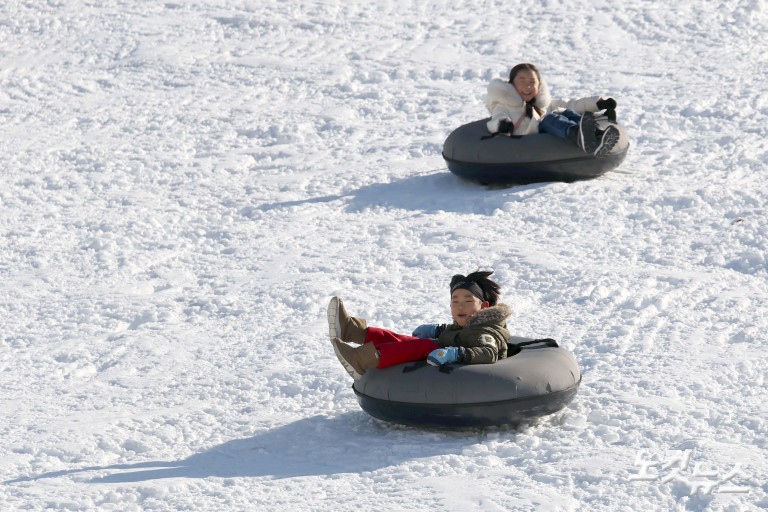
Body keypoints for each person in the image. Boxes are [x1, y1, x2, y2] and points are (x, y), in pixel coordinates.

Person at [329, 270, 512, 377]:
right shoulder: (467, 324)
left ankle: (361, 361)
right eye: (455, 301)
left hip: (471, 371)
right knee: (403, 340)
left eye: (468, 300)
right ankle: (352, 330)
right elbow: (459, 334)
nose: (460, 306)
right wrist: (438, 329)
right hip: (446, 350)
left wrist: (456, 353)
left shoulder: (486, 331)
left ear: (484, 306)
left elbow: (489, 353)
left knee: (423, 346)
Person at [486, 63, 619, 157]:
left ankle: (597, 135)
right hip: (528, 141)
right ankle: (577, 135)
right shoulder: (504, 105)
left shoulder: (543, 104)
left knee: (567, 112)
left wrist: (598, 104)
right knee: (550, 119)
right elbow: (495, 120)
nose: (527, 86)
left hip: (548, 133)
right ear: (511, 84)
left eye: (532, 82)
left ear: (539, 85)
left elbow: (572, 104)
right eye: (522, 81)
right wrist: (502, 124)